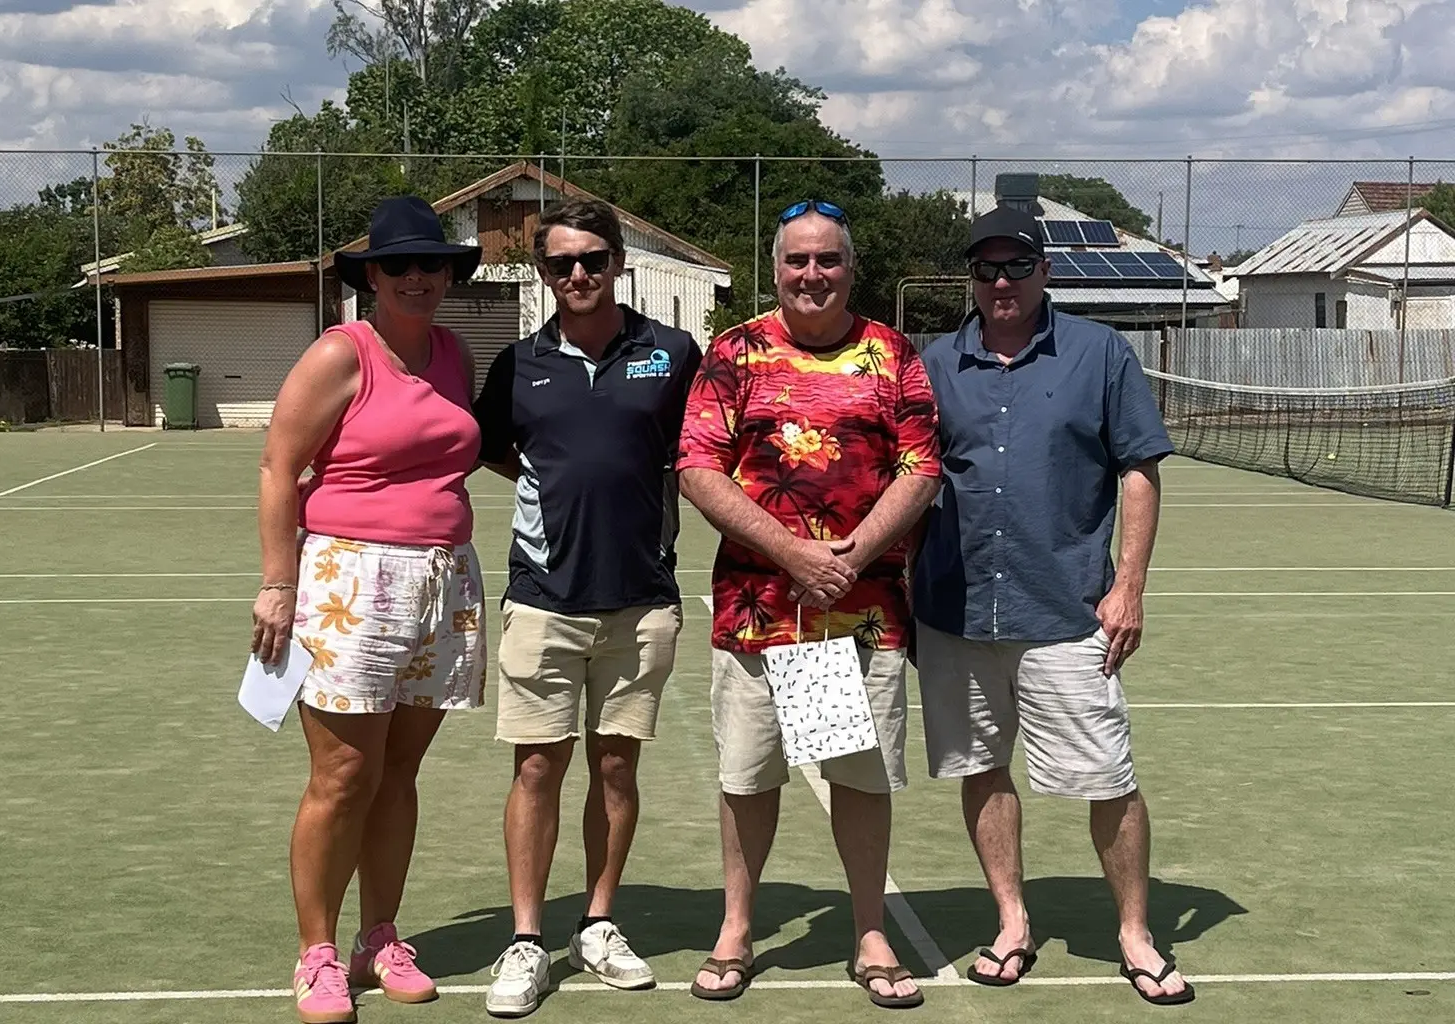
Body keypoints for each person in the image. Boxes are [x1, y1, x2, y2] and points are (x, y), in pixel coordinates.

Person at [910, 206, 1193, 1006]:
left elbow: (1140, 469)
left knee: (1108, 778)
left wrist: (1129, 584)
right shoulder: (933, 363)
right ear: (971, 277)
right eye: (987, 269)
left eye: (1017, 267)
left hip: (1068, 611)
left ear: (1046, 271)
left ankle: (1135, 933)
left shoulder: (1100, 354)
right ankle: (1011, 922)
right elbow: (908, 479)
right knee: (980, 769)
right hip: (954, 614)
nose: (1001, 282)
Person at [677, 200, 941, 1009]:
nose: (812, 275)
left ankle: (868, 931)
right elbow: (697, 466)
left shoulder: (893, 355)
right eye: (798, 261)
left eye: (828, 260)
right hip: (761, 612)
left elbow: (922, 466)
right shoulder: (736, 352)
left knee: (856, 778)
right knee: (750, 778)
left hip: (857, 616)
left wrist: (851, 557)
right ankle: (737, 929)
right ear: (777, 268)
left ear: (851, 269)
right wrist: (794, 554)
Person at [251, 195, 488, 1024]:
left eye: (432, 264)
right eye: (399, 266)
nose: (418, 278)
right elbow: (281, 467)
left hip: (445, 581)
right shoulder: (340, 354)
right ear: (372, 277)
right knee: (343, 775)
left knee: (398, 771)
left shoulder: (454, 354)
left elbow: (472, 452)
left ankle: (379, 936)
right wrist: (279, 583)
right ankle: (317, 953)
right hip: (352, 581)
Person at [472, 197, 701, 1018]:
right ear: (542, 272)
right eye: (560, 263)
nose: (577, 275)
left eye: (592, 259)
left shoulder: (672, 353)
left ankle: (597, 923)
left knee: (616, 765)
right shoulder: (519, 364)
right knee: (536, 766)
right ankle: (527, 939)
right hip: (542, 599)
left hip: (641, 601)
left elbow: (702, 456)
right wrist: (554, 494)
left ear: (619, 263)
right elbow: (493, 448)